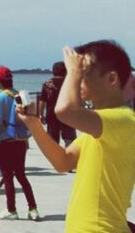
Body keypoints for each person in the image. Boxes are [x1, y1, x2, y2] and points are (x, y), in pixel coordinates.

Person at [17, 40, 135, 233]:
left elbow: (65, 110)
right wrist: (34, 125)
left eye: (84, 71)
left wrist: (72, 71)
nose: (77, 77)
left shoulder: (124, 119)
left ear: (111, 79)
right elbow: (63, 162)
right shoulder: (101, 126)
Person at [0, 66, 39, 221]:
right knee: (21, 175)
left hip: (6, 141)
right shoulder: (19, 94)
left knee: (8, 177)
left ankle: (11, 209)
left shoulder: (0, 97)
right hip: (20, 140)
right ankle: (33, 209)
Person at [39, 61, 76, 146]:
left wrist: (41, 114)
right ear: (65, 71)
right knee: (70, 140)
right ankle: (70, 157)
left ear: (53, 71)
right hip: (67, 114)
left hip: (52, 114)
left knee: (53, 141)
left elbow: (42, 100)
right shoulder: (69, 83)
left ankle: (55, 157)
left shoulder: (47, 84)